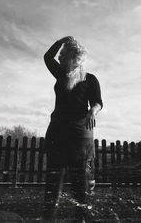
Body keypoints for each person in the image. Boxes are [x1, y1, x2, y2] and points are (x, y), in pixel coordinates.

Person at [43, 36, 103, 222]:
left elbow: (98, 102)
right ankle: (48, 218)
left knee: (80, 186)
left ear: (77, 60)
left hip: (80, 135)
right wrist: (61, 40)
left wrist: (93, 111)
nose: (63, 62)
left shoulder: (90, 79)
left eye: (67, 59)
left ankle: (81, 218)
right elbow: (47, 57)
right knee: (53, 185)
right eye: (63, 59)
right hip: (57, 133)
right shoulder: (61, 74)